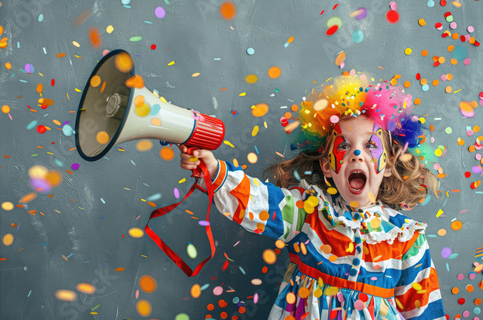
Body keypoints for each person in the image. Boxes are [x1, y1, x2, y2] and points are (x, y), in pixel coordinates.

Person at [179, 71, 445, 319]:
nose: (355, 153)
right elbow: (257, 202)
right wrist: (212, 169)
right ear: (327, 165)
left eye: (370, 145)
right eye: (343, 145)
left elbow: (425, 311)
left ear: (387, 165)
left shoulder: (406, 239)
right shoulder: (308, 213)